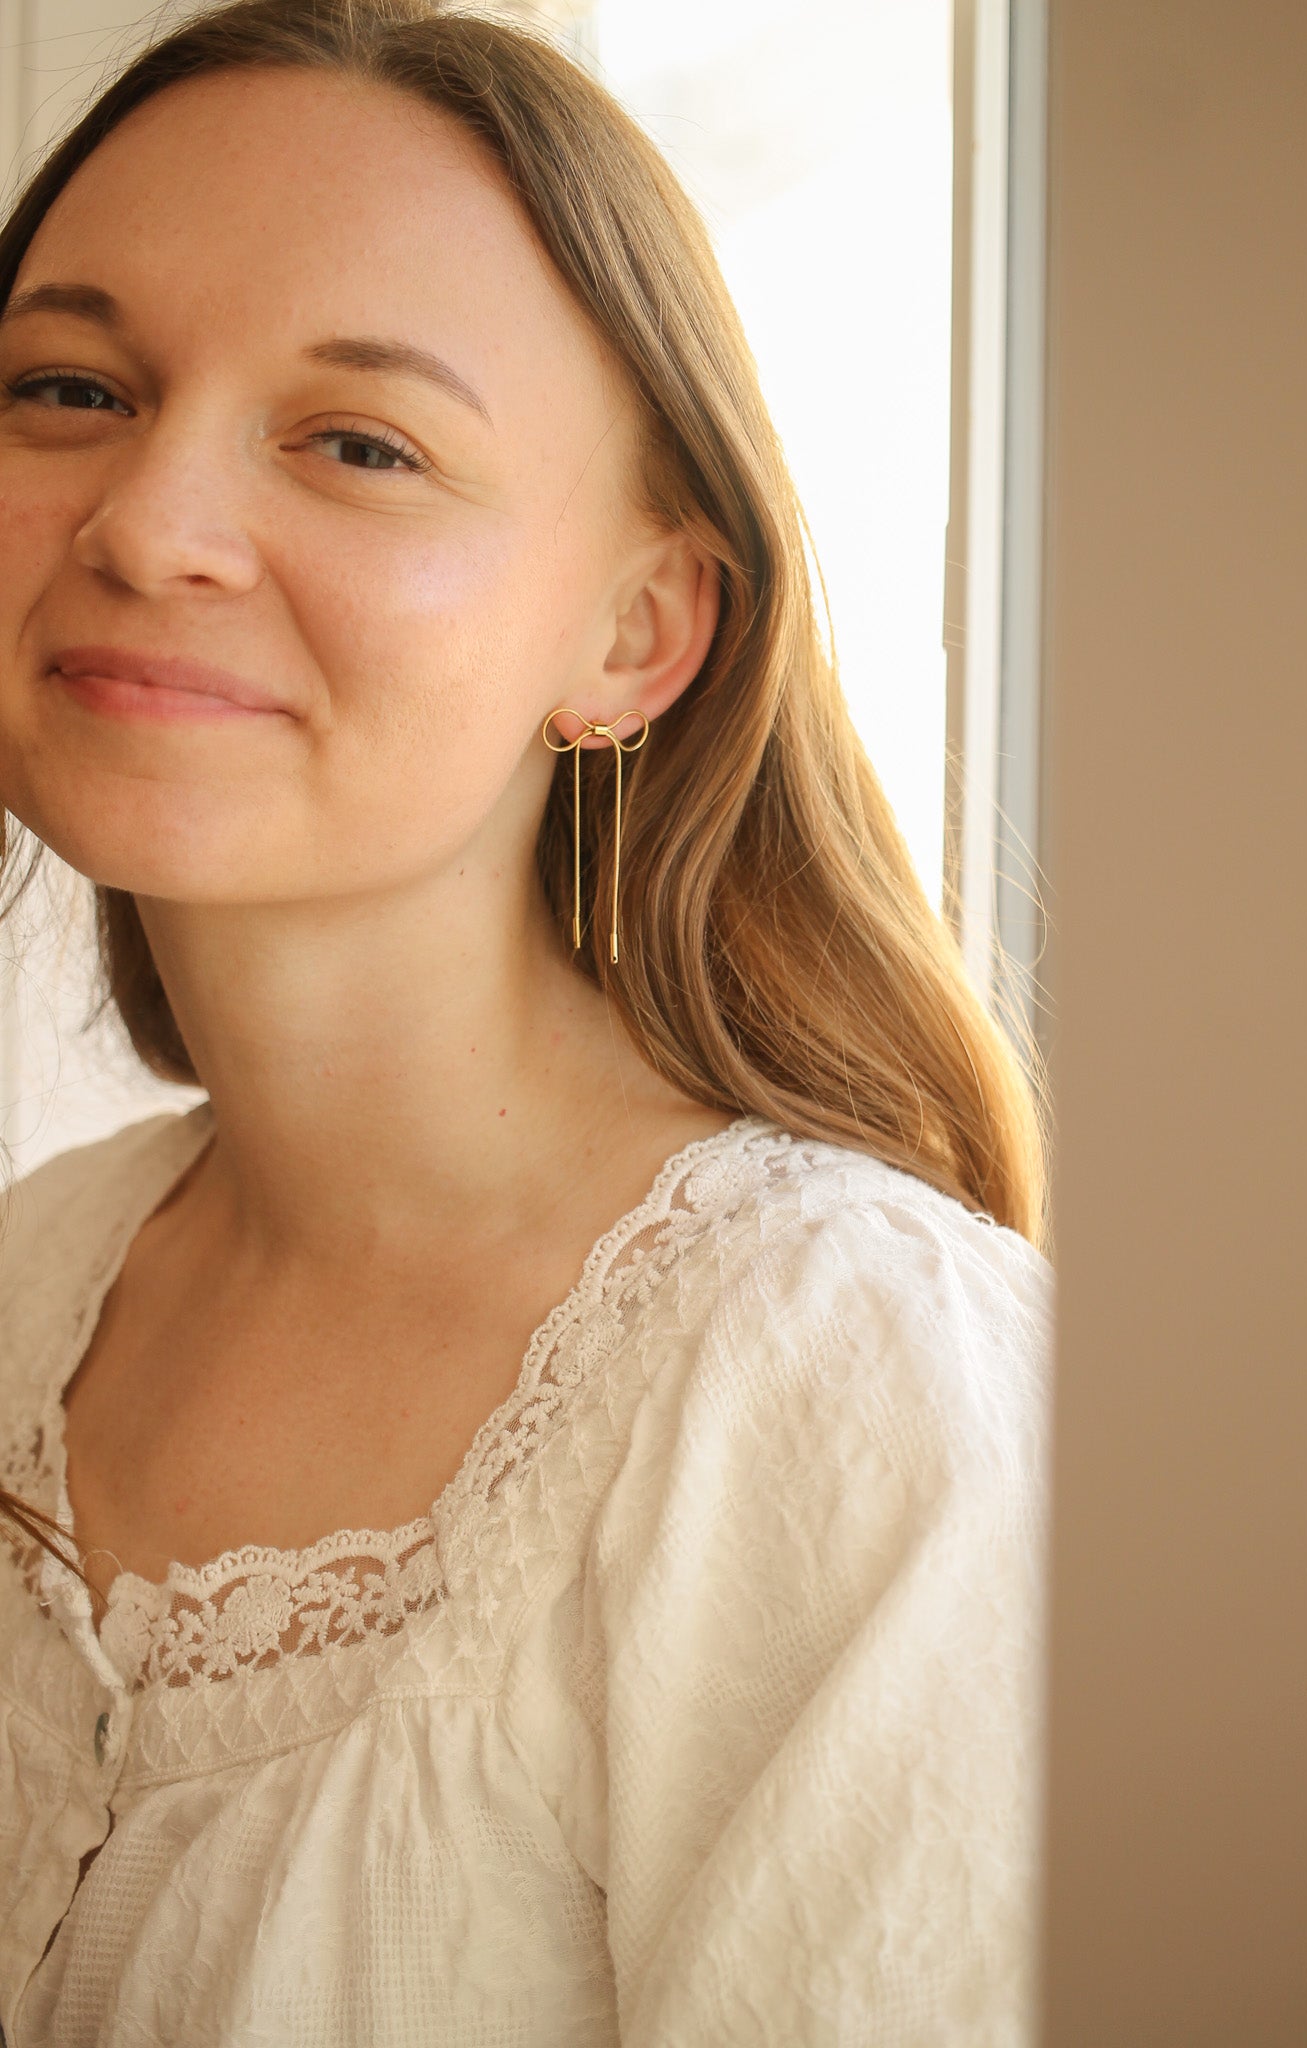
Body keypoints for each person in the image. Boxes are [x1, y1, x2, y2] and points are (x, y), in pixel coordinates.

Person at [0, 2, 1054, 2041]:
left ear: (634, 633)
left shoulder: (854, 1397)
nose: (144, 524)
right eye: (66, 385)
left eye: (359, 442)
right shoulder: (27, 1273)